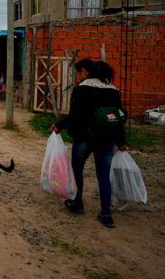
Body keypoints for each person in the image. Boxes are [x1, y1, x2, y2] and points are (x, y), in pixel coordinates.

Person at [50, 59, 127, 228]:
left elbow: (75, 115)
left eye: (78, 73)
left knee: (77, 169)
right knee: (103, 174)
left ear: (84, 71)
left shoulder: (81, 89)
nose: (78, 76)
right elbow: (118, 117)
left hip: (84, 138)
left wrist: (59, 126)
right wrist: (121, 141)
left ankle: (77, 203)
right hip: (107, 140)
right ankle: (106, 214)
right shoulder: (113, 91)